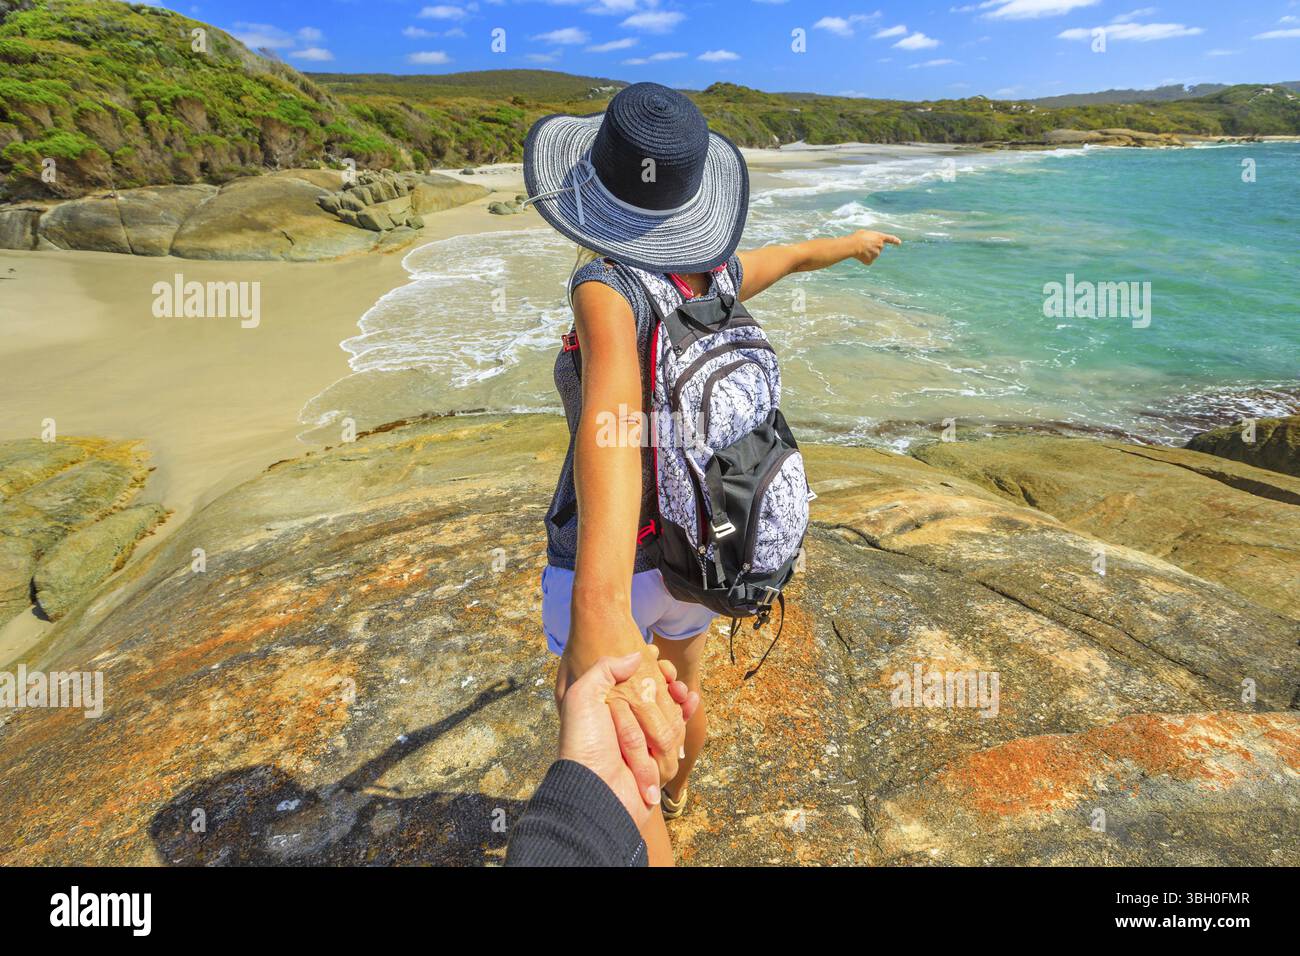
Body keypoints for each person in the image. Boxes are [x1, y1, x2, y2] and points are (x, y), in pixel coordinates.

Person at [522, 81, 900, 865]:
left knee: (602, 733)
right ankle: (683, 789)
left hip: (618, 559)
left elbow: (615, 423)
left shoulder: (605, 286)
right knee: (684, 684)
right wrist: (852, 244)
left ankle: (649, 826)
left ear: (596, 187)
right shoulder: (715, 274)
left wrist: (597, 605)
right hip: (701, 546)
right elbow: (791, 258)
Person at [506, 652, 699, 867]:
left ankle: (665, 798)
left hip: (605, 623)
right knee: (683, 684)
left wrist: (593, 797)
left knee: (638, 754)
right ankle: (674, 795)